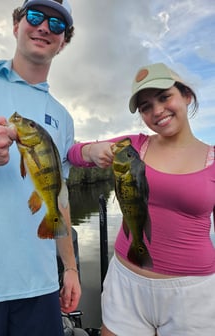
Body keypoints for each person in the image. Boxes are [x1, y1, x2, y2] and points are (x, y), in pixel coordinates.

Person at [68, 62, 215, 336]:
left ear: (186, 96)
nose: (157, 110)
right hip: (126, 284)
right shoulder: (133, 146)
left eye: (164, 96)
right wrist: (93, 150)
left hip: (193, 294)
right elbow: (74, 154)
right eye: (146, 106)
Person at [0, 0, 81, 335]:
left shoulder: (62, 116)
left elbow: (59, 197)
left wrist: (70, 268)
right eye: (34, 16)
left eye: (57, 24)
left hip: (40, 288)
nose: (44, 27)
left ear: (63, 42)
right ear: (16, 25)